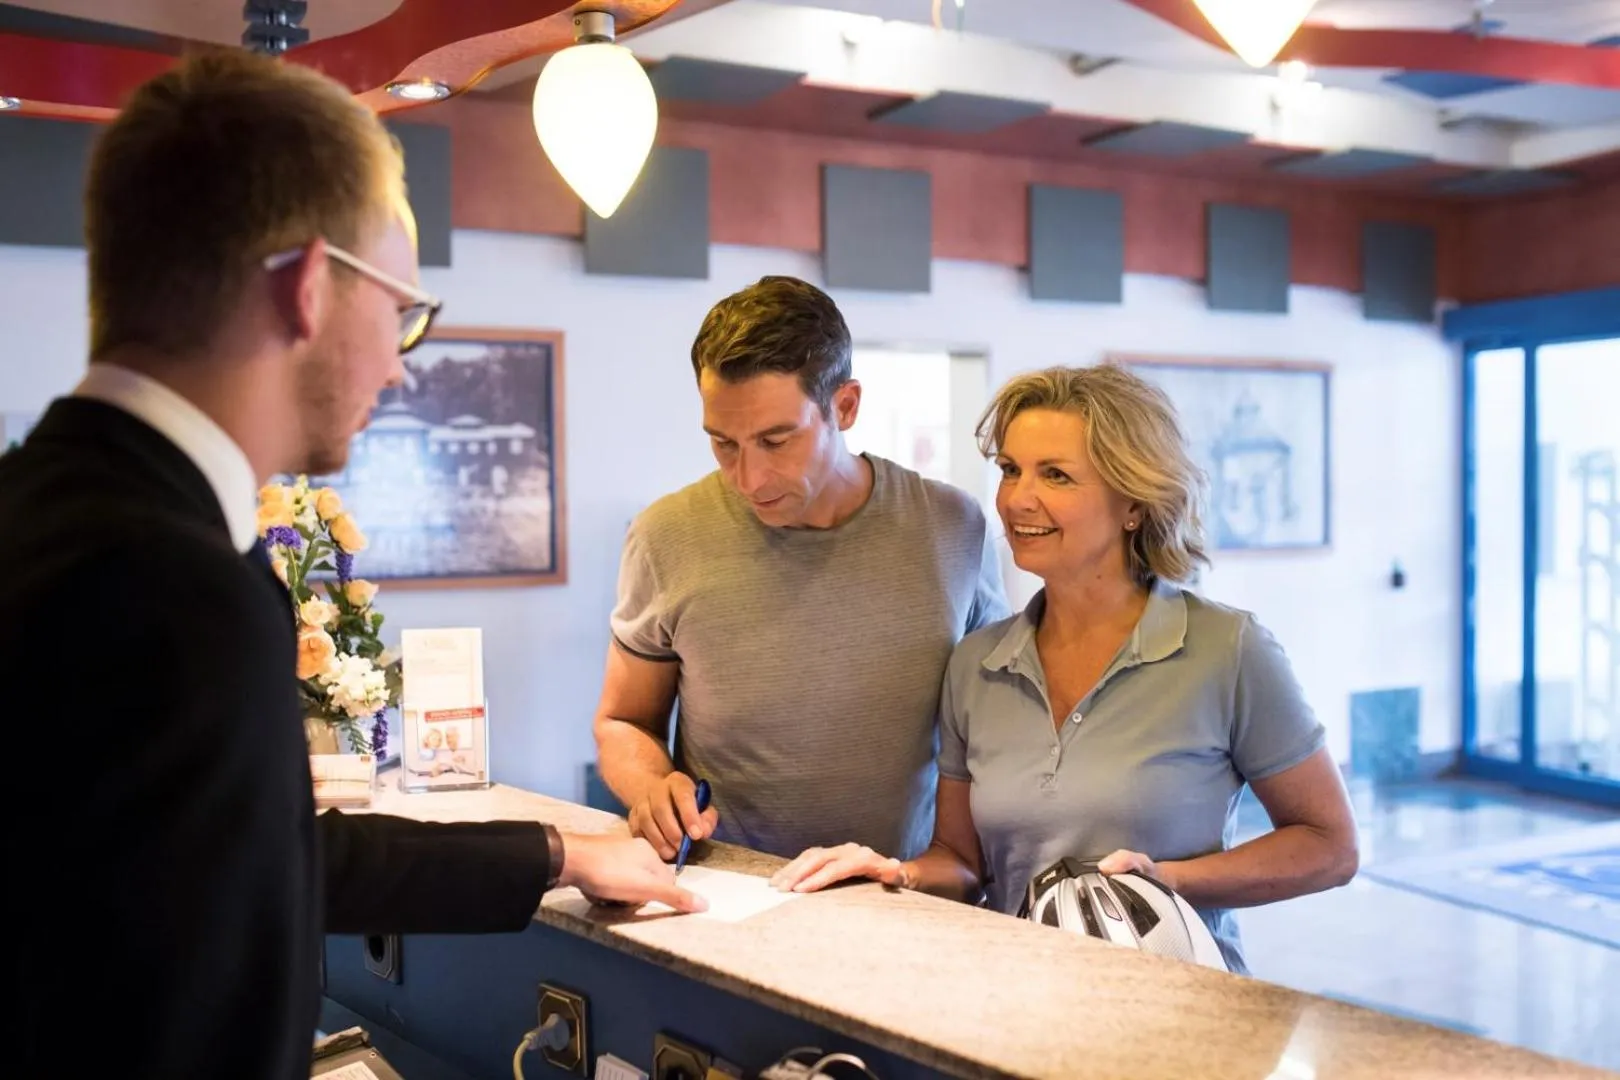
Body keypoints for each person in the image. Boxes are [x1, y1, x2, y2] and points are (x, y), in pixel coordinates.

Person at [4, 50, 701, 1080]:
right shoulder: (173, 585)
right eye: (402, 312)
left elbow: (265, 858)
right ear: (307, 288)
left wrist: (553, 851)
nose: (395, 362)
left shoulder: (47, 509)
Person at [769, 364, 1359, 974]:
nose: (1018, 499)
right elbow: (964, 861)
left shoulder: (1229, 649)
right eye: (1010, 470)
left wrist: (1164, 882)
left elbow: (1329, 846)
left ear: (1132, 501)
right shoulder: (976, 663)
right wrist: (899, 872)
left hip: (1181, 1006)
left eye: (1056, 475)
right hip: (1019, 1001)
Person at [594, 276, 1009, 862]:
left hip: (905, 893)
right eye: (723, 443)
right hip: (730, 896)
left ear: (844, 406)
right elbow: (623, 721)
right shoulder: (664, 536)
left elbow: (998, 726)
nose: (748, 478)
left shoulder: (952, 527)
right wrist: (651, 788)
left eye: (775, 440)